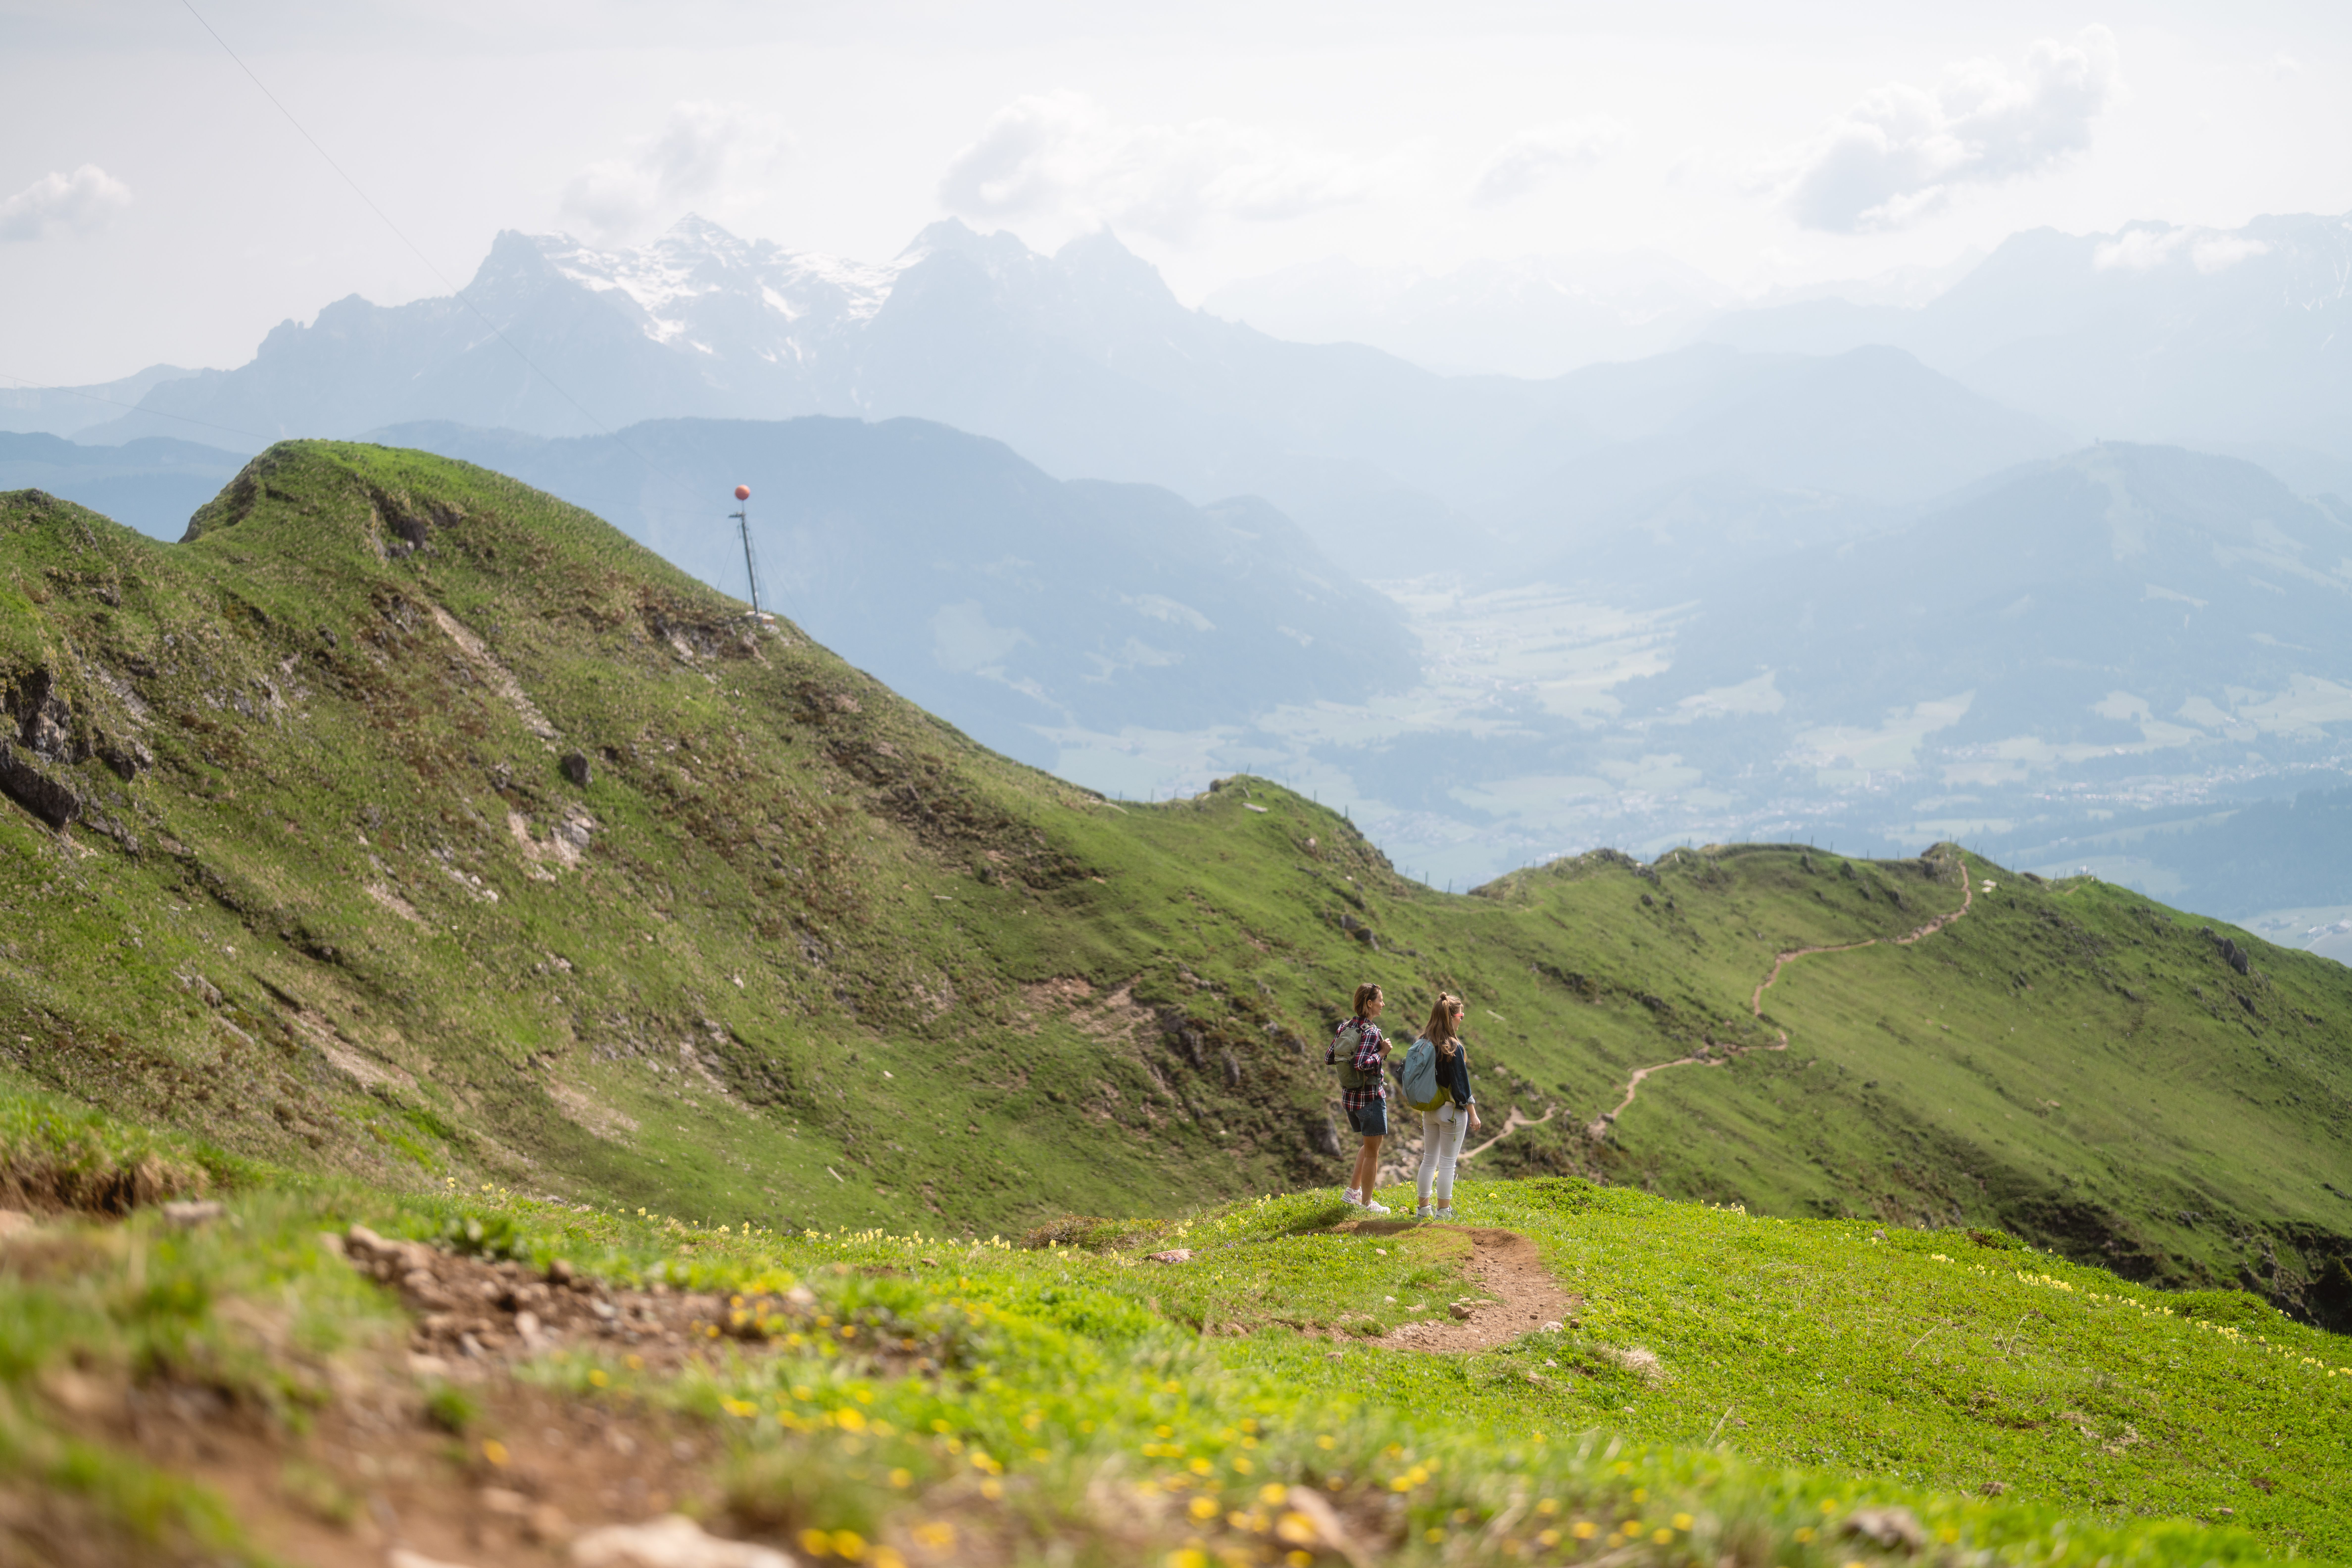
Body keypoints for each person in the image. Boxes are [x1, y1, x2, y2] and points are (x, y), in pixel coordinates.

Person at [1413, 993, 1481, 1220]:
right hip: (1451, 1112)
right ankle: (1444, 1212)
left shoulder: (1422, 1042)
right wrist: (1473, 1114)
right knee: (1448, 1164)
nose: (1462, 1020)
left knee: (1429, 1159)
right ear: (1452, 1017)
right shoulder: (1453, 1047)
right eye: (1461, 1015)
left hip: (1429, 1109)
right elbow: (1462, 1087)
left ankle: (1423, 1210)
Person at [1337, 982, 1393, 1213]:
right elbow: (1361, 1064)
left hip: (1351, 1099)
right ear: (1369, 1004)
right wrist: (1382, 1053)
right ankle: (1368, 1204)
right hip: (1370, 1099)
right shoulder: (1371, 1032)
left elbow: (1330, 1057)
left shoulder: (1345, 1027)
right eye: (1380, 1000)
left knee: (1368, 1145)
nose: (1383, 1004)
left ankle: (1352, 1192)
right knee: (1373, 1152)